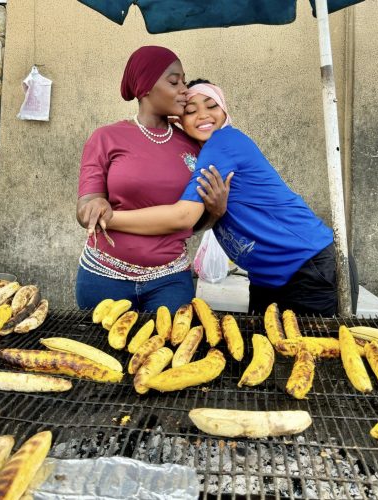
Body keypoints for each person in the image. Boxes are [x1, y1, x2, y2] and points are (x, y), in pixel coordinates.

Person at [98, 80, 359, 316]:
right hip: (267, 279)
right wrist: (216, 212)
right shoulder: (198, 157)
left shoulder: (223, 143)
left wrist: (107, 218)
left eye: (212, 106)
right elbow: (197, 224)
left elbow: (183, 216)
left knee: (313, 360)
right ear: (178, 120)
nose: (203, 115)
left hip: (308, 266)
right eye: (190, 110)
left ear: (224, 112)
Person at [76, 50, 228, 312]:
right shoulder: (106, 137)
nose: (184, 90)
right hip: (104, 276)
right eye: (174, 82)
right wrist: (95, 207)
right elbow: (85, 209)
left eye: (184, 81)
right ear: (146, 87)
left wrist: (215, 212)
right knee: (100, 351)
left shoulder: (194, 145)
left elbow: (192, 222)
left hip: (169, 282)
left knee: (165, 352)